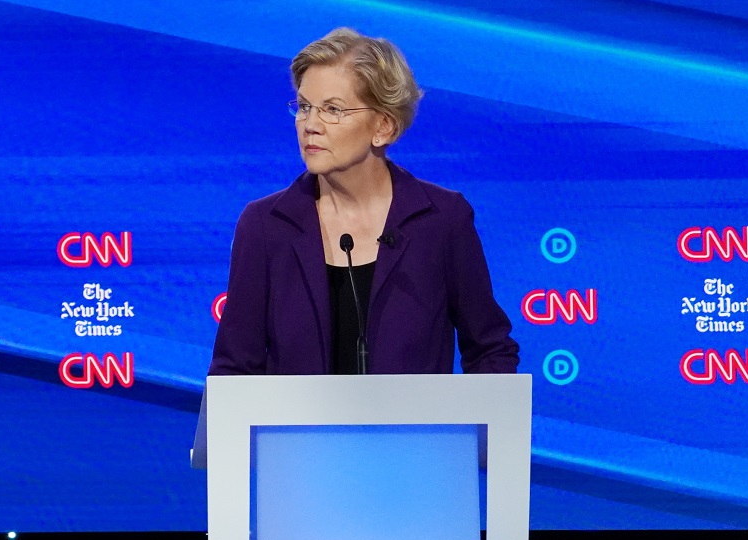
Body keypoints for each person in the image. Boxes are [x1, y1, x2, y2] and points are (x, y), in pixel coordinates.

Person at [211, 27, 518, 375]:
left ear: (383, 127)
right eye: (305, 107)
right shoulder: (266, 225)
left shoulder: (441, 219)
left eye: (333, 109)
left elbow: (490, 350)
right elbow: (234, 368)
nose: (310, 124)